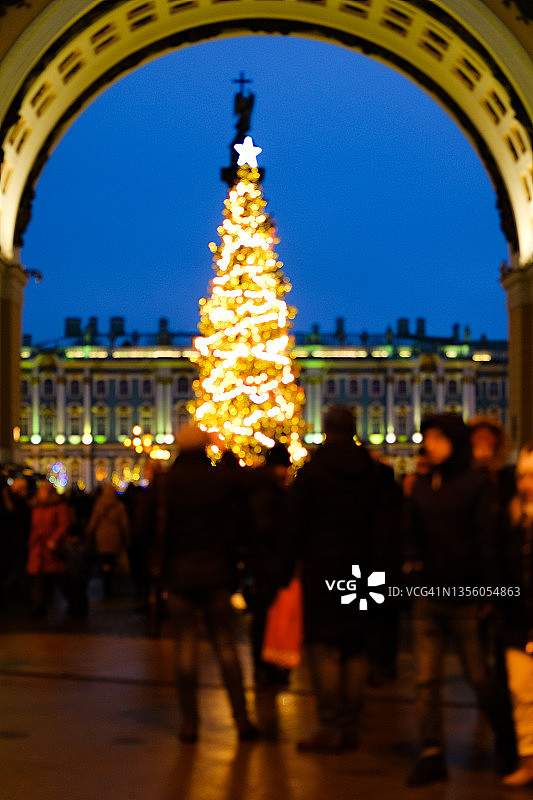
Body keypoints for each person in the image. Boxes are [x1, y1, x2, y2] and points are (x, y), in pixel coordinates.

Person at [403, 413, 513, 786]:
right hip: (428, 596)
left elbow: (487, 542)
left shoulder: (476, 486)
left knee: (479, 677)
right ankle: (432, 752)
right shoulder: (422, 485)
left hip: (466, 596)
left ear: (453, 442)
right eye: (427, 437)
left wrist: (491, 592)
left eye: (436, 438)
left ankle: (506, 742)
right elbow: (413, 535)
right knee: (425, 680)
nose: (427, 444)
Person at [147, 423, 257, 743]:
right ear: (205, 446)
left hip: (179, 575)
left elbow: (144, 527)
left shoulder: (166, 484)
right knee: (226, 646)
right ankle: (241, 718)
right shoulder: (219, 480)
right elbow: (243, 512)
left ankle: (190, 722)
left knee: (185, 648)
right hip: (218, 573)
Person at [285, 405, 380, 753]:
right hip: (364, 569)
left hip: (322, 570)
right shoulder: (373, 471)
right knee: (356, 646)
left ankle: (330, 725)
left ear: (326, 429)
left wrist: (284, 571)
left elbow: (294, 525)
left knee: (323, 648)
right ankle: (351, 723)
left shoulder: (313, 472)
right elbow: (384, 526)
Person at [500, 443, 533, 786]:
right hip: (517, 624)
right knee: (522, 694)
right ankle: (528, 760)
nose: (527, 484)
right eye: (523, 476)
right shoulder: (511, 517)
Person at [247, 442, 292, 687]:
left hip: (263, 563)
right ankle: (266, 666)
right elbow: (267, 528)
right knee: (267, 619)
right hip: (268, 564)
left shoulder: (261, 488)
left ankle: (266, 666)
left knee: (265, 619)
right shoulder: (269, 492)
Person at [26, 481, 71, 617]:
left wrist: (54, 539)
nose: (41, 493)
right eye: (40, 491)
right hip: (38, 547)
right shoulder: (35, 506)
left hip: (51, 548)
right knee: (39, 579)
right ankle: (38, 606)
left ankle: (75, 603)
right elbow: (33, 526)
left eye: (44, 491)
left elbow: (64, 524)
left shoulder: (59, 506)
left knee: (59, 578)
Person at [86, 483, 130, 598]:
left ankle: (106, 583)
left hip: (101, 537)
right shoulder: (119, 506)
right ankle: (111, 583)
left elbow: (93, 523)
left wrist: (89, 533)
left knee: (104, 561)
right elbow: (124, 524)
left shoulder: (98, 505)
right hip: (115, 537)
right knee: (112, 561)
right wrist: (126, 536)